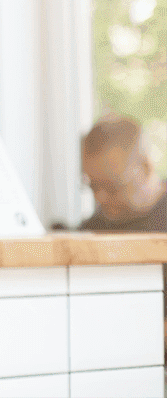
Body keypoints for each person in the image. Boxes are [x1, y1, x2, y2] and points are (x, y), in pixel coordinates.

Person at [77, 115, 166, 360]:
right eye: (93, 186)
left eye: (113, 186)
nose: (102, 198)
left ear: (146, 166)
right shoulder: (89, 233)